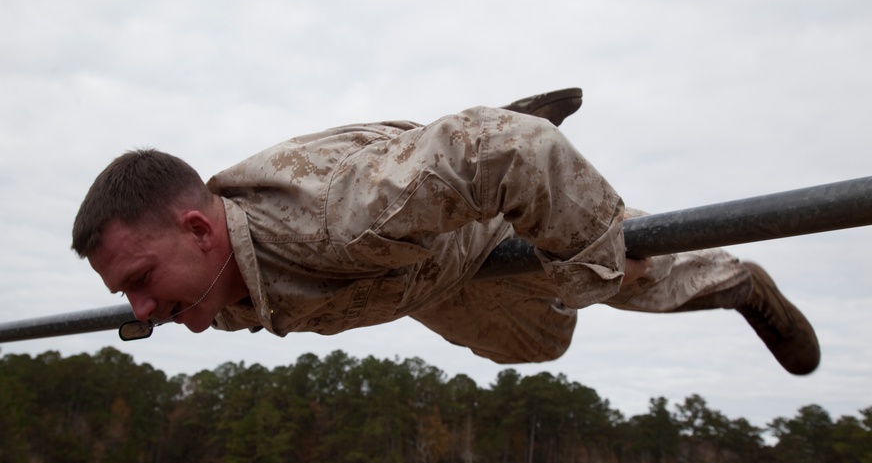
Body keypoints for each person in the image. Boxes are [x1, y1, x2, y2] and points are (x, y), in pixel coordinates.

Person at [71, 88, 820, 376]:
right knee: (537, 344)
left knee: (619, 267)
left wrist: (583, 272)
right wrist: (159, 303)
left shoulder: (340, 215)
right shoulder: (211, 287)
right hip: (418, 282)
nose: (139, 309)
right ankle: (479, 141)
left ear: (200, 229)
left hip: (459, 231)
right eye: (124, 294)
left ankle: (740, 284)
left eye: (139, 281)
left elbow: (515, 153)